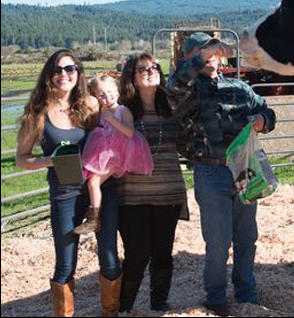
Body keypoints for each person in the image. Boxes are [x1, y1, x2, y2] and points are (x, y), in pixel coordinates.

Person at [167, 32, 276, 317]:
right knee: (218, 240)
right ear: (190, 58)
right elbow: (176, 87)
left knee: (246, 236)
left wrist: (263, 120)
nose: (212, 56)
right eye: (203, 52)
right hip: (211, 170)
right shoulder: (190, 91)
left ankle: (246, 293)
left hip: (243, 167)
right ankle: (215, 297)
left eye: (214, 51)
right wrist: (203, 55)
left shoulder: (239, 87)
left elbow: (267, 110)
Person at [16, 49, 122, 317]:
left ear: (78, 72)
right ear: (49, 75)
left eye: (70, 69)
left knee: (109, 259)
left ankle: (110, 312)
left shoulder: (91, 106)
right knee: (65, 264)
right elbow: (21, 159)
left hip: (100, 190)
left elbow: (113, 134)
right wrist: (51, 161)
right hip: (64, 193)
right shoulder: (37, 114)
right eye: (58, 70)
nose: (64, 74)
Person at [115, 53, 189, 313]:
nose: (150, 71)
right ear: (132, 77)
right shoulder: (123, 111)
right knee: (136, 254)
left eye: (154, 67)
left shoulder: (172, 107)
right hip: (131, 195)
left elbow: (187, 140)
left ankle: (159, 304)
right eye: (142, 68)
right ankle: (124, 306)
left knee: (162, 253)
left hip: (168, 192)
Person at [74, 75, 153, 235]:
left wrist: (111, 120)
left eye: (109, 92)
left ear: (116, 92)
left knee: (94, 182)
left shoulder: (122, 111)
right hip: (104, 152)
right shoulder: (101, 112)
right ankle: (91, 212)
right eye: (101, 94)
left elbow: (129, 132)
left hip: (117, 154)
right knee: (89, 179)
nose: (106, 96)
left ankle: (93, 218)